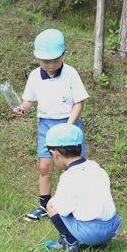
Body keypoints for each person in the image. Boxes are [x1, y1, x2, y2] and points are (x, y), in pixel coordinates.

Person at [13, 29, 89, 221]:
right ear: (37, 58)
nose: (50, 65)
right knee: (45, 166)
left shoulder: (71, 73)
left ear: (63, 55)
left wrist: (69, 125)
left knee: (72, 168)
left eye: (55, 60)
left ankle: (76, 204)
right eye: (45, 61)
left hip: (69, 125)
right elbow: (29, 100)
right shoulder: (34, 76)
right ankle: (44, 205)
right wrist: (23, 108)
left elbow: (79, 102)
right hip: (46, 125)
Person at [42, 123, 122, 252]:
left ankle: (70, 242)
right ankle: (97, 242)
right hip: (112, 227)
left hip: (92, 233)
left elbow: (63, 209)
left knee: (51, 205)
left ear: (55, 154)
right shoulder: (95, 166)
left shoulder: (69, 176)